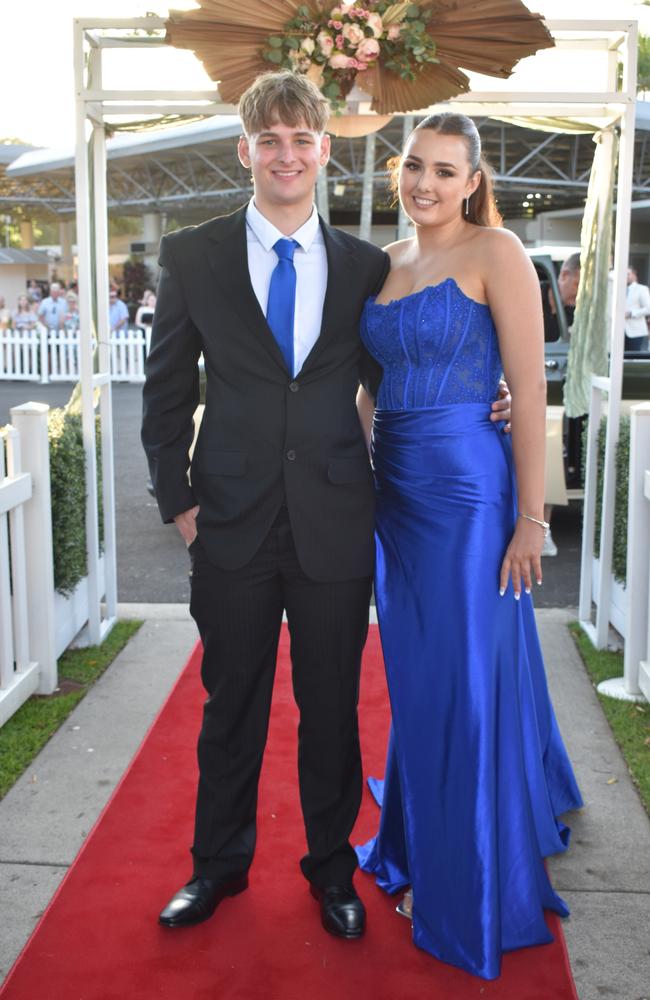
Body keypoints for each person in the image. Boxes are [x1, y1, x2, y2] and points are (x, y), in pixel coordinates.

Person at [141, 72, 512, 940]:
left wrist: (485, 395)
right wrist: (180, 507)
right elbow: (163, 397)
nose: (285, 154)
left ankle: (331, 872)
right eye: (268, 140)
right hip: (227, 521)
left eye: (301, 139)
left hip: (338, 522)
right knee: (229, 705)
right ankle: (216, 869)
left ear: (324, 151)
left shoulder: (364, 267)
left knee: (331, 708)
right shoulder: (193, 254)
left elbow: (402, 371)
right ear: (246, 151)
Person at [354, 113, 582, 981]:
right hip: (394, 499)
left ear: (473, 180)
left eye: (446, 171)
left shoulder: (499, 252)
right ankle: (425, 828)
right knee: (423, 676)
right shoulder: (385, 265)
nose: (426, 184)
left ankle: (468, 874)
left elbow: (527, 389)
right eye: (415, 165)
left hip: (468, 497)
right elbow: (367, 387)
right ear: (397, 170)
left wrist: (532, 518)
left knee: (466, 677)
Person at [540, 252, 581, 557]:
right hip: (531, 388)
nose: (577, 293)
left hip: (550, 394)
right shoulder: (533, 294)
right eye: (577, 284)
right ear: (563, 275)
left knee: (550, 454)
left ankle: (543, 527)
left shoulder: (573, 311)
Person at [624, 266, 650, 352]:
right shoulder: (617, 290)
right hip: (620, 333)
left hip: (636, 332)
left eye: (628, 274)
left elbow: (648, 309)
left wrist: (631, 313)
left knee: (634, 360)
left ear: (634, 275)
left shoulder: (642, 289)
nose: (625, 276)